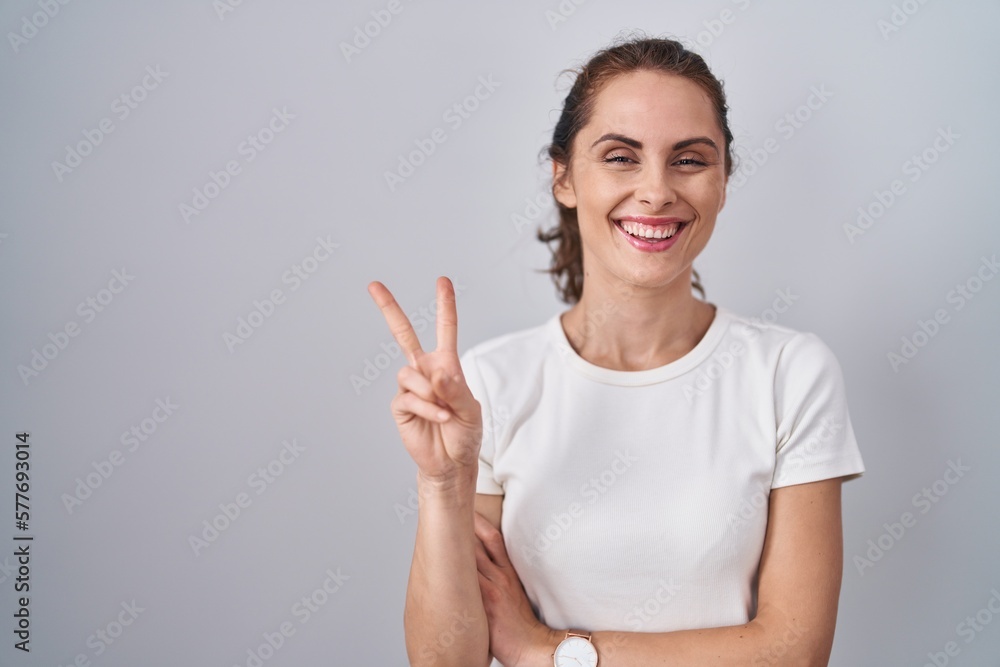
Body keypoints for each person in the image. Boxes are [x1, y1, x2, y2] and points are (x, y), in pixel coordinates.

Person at [368, 32, 865, 667]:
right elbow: (445, 662)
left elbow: (795, 652)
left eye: (689, 159)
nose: (657, 191)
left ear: (723, 180)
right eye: (620, 157)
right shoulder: (489, 385)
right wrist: (443, 482)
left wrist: (552, 652)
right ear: (564, 177)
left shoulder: (790, 374)